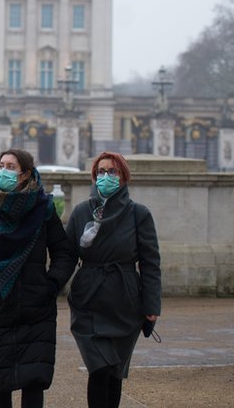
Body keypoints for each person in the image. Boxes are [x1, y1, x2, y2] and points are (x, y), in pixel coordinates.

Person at [0, 148, 76, 408]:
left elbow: (64, 253)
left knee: (33, 382)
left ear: (25, 174)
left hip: (37, 308)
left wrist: (51, 285)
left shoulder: (43, 209)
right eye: (1, 165)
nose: (3, 171)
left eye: (10, 167)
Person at [66, 152, 161, 408]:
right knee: (98, 367)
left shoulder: (138, 214)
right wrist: (48, 287)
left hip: (125, 301)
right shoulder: (81, 211)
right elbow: (66, 255)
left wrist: (151, 307)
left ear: (123, 177)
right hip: (88, 300)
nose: (106, 176)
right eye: (101, 171)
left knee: (114, 370)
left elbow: (150, 263)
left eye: (113, 171)